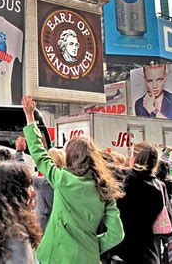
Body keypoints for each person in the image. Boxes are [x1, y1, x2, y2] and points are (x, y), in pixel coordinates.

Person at [22, 95, 124, 264]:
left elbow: (39, 154)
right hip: (88, 258)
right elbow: (116, 234)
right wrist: (91, 246)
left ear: (70, 157)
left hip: (55, 255)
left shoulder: (62, 179)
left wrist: (29, 116)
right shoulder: (105, 189)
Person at [112, 142, 166, 263]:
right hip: (149, 250)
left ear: (136, 158)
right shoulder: (158, 186)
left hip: (124, 250)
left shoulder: (125, 180)